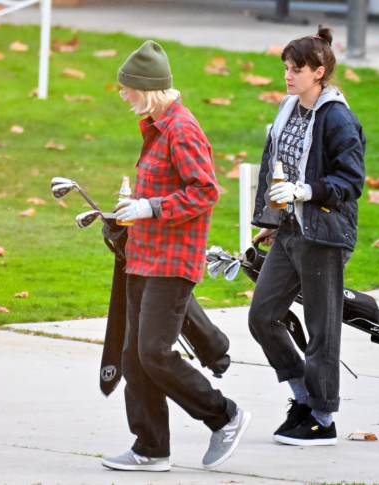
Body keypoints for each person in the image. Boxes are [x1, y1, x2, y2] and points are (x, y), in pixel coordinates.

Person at [101, 40, 250, 472]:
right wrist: (126, 214)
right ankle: (150, 448)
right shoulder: (156, 126)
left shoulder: (182, 129)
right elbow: (160, 188)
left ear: (146, 88)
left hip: (172, 261)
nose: (123, 94)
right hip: (143, 256)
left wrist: (151, 208)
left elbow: (204, 192)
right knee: (134, 357)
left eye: (126, 88)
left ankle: (225, 416)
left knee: (154, 353)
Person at [248, 26, 366, 446]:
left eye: (296, 69)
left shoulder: (337, 117)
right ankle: (304, 396)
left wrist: (305, 191)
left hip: (325, 234)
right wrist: (269, 218)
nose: (288, 75)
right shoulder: (287, 109)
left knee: (322, 329)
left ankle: (322, 417)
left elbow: (351, 181)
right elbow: (272, 164)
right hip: (290, 231)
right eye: (286, 68)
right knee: (262, 316)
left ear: (320, 72)